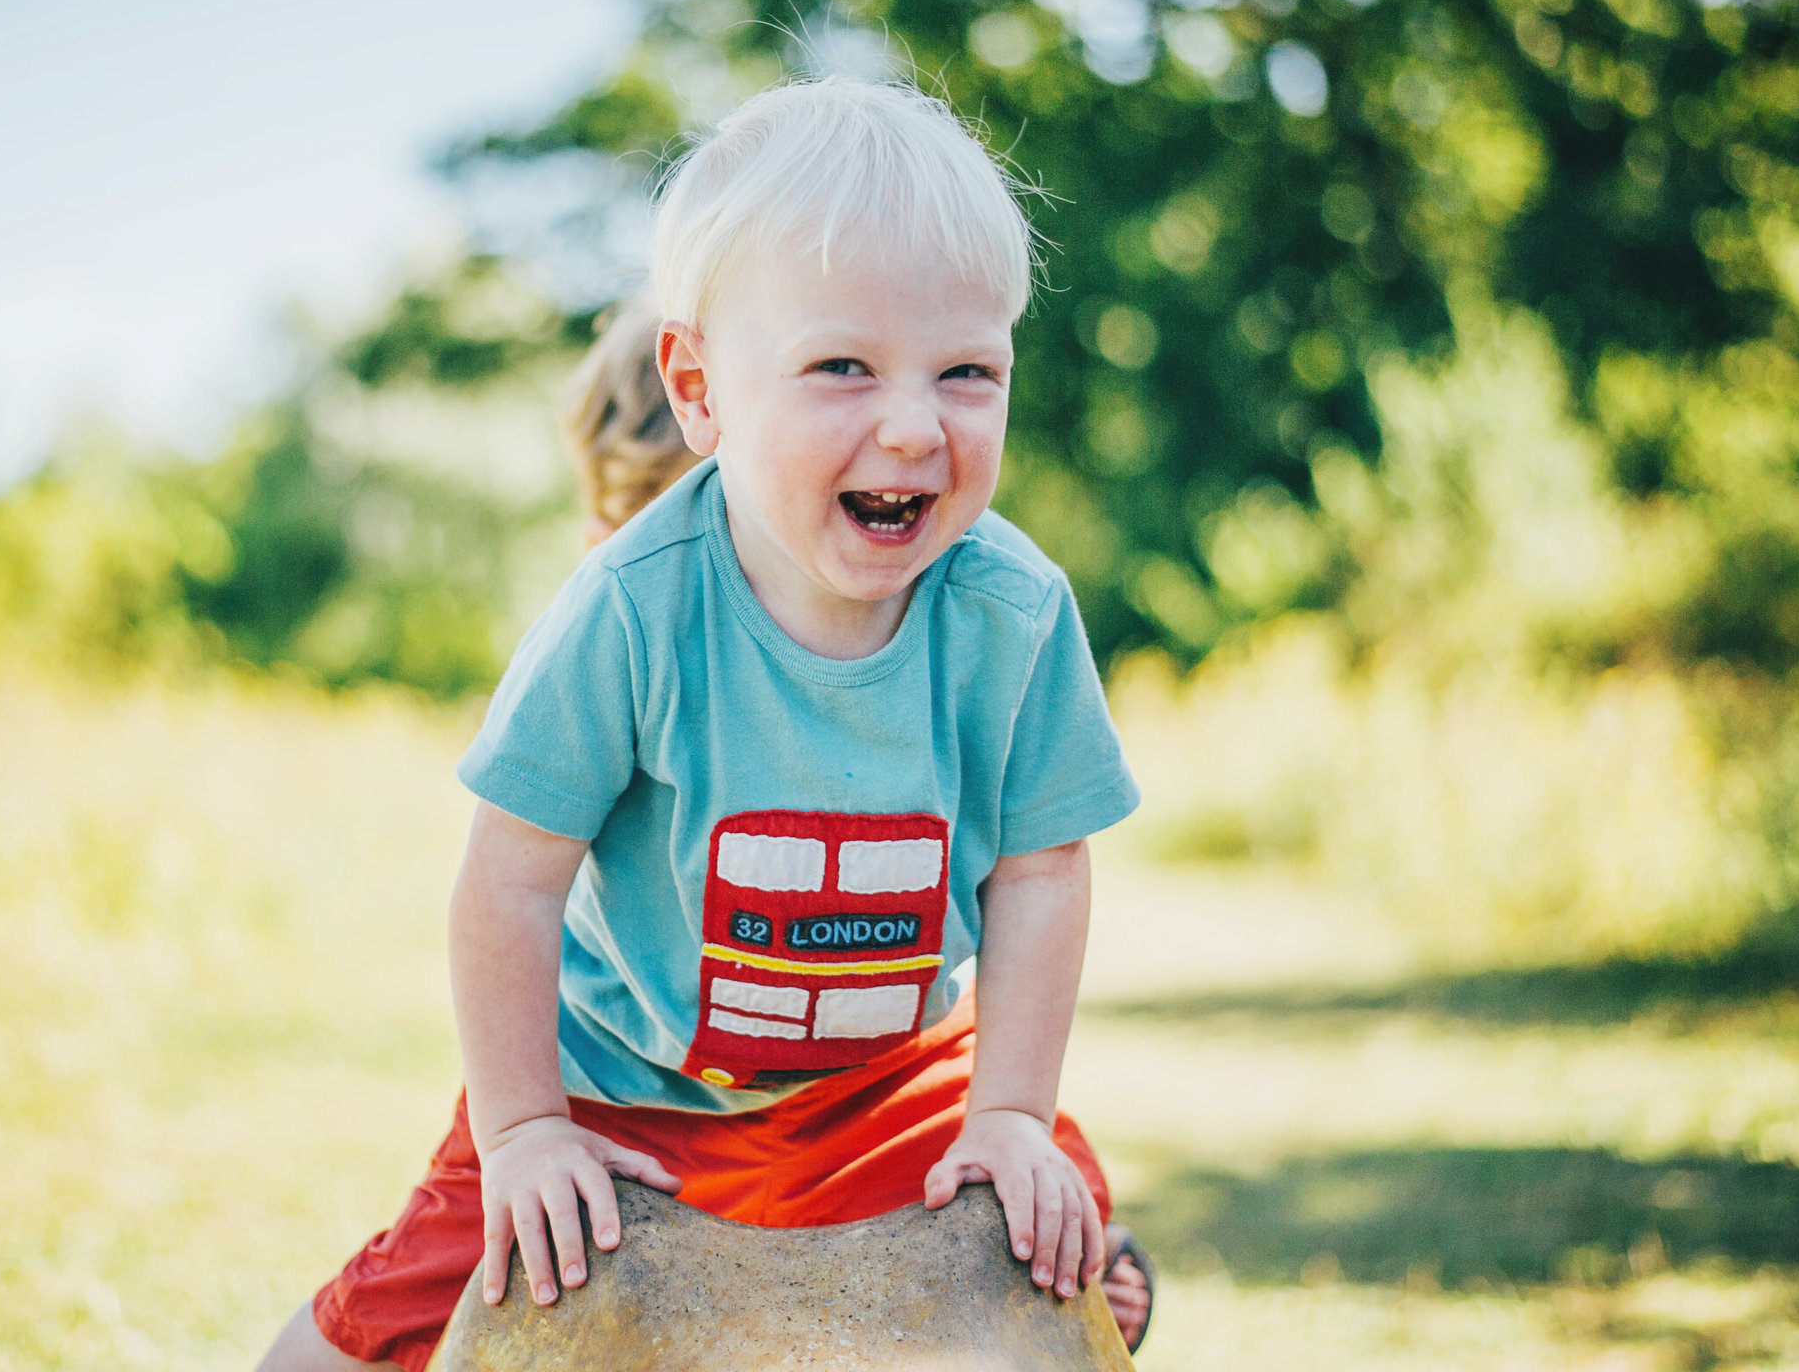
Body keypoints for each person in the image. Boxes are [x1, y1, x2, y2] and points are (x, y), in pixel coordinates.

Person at [259, 78, 1152, 1371]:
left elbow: (1043, 866)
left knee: (1070, 1238)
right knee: (374, 1333)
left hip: (887, 1081)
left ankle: (1073, 1243)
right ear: (699, 387)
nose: (913, 424)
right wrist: (520, 1135)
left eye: (968, 372)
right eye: (843, 366)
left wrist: (1012, 1112)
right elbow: (509, 881)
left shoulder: (1013, 614)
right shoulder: (632, 609)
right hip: (617, 1079)